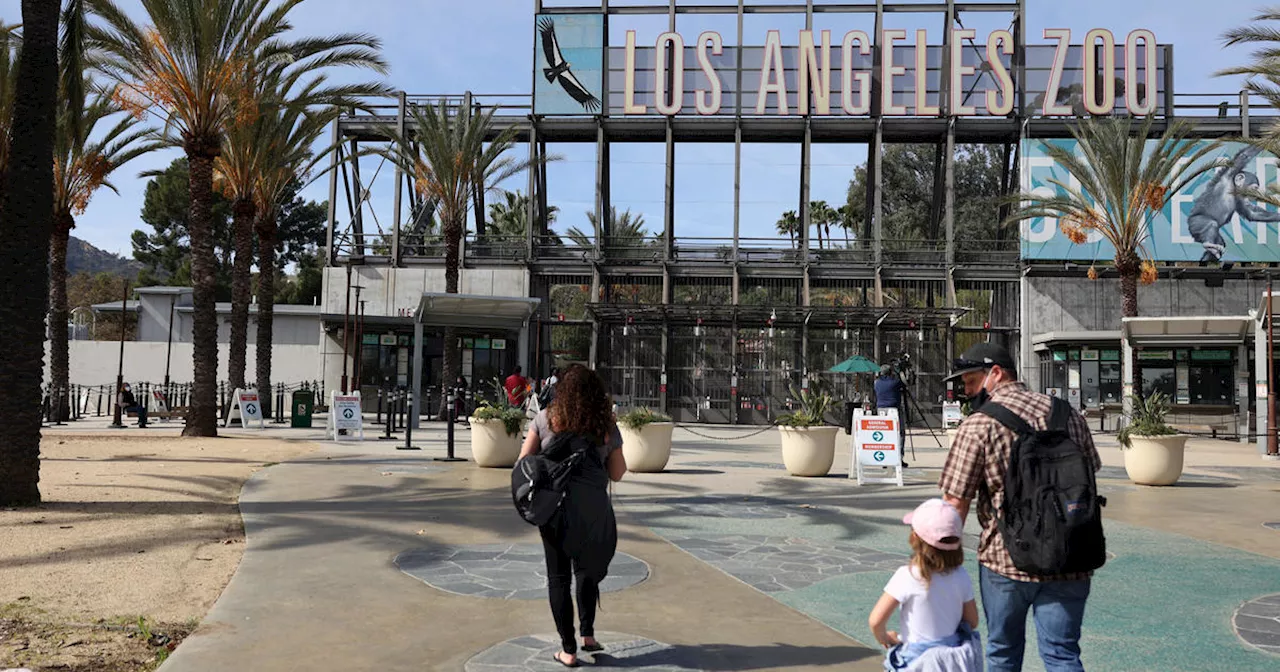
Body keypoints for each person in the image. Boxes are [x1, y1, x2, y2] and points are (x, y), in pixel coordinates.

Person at [939, 342, 1101, 672]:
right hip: (1071, 555)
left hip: (1005, 558)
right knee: (1063, 654)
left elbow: (954, 502)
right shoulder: (1068, 414)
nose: (967, 391)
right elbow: (1090, 472)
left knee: (1003, 652)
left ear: (995, 373)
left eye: (971, 382)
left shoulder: (979, 425)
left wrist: (941, 561)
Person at [519, 364, 627, 667]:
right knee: (586, 571)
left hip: (553, 510)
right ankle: (588, 634)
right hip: (592, 511)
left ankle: (568, 650)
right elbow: (617, 473)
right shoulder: (604, 425)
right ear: (596, 392)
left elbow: (524, 462)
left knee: (558, 578)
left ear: (561, 390)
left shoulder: (545, 419)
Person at [869, 498, 982, 671]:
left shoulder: (908, 575)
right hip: (950, 661)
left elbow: (876, 621)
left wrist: (886, 638)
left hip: (917, 659)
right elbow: (972, 621)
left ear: (915, 537)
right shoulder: (961, 575)